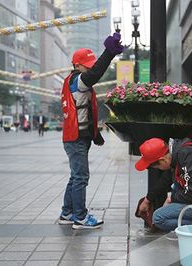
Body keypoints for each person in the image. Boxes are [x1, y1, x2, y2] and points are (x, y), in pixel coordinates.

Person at [59, 32, 124, 229]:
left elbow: (85, 112)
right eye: (87, 64)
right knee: (81, 177)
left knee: (75, 176)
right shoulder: (77, 80)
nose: (90, 67)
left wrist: (94, 135)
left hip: (77, 137)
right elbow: (95, 74)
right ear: (77, 65)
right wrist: (109, 53)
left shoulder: (75, 81)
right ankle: (80, 217)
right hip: (75, 139)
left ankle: (67, 212)